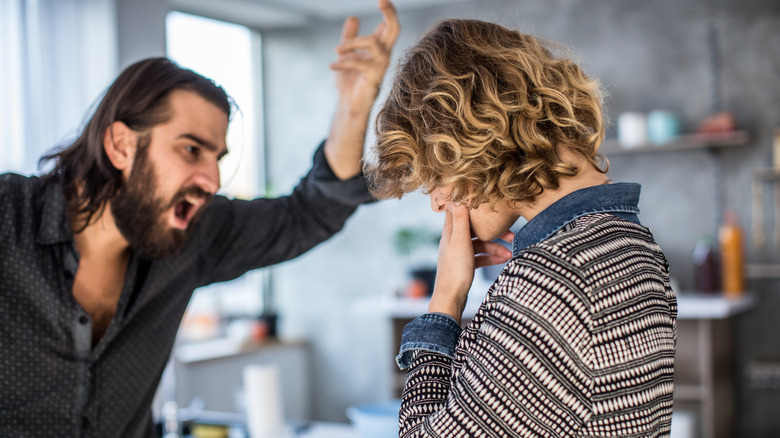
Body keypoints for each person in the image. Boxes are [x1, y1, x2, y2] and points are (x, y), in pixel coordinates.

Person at [0, 1, 399, 436]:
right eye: (190, 150)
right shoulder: (9, 216)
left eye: (217, 157)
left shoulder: (193, 234)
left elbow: (309, 212)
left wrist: (354, 106)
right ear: (120, 146)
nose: (212, 179)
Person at [367, 19, 677, 437]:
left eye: (434, 176)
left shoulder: (554, 281)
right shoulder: (634, 243)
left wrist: (444, 302)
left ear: (473, 138)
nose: (437, 201)